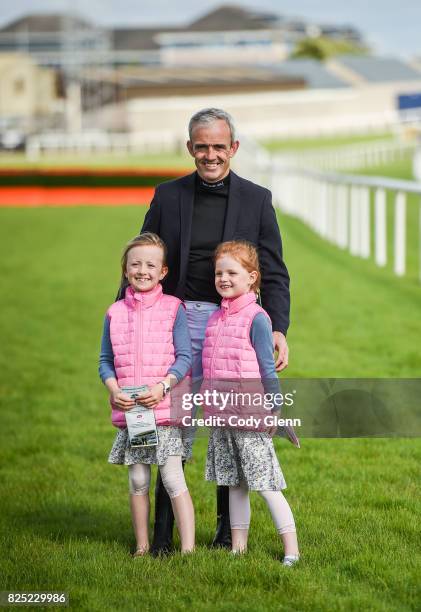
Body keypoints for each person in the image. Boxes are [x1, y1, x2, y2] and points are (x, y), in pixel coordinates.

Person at [121, 107, 291, 554]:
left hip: (229, 330)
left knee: (226, 427)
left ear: (233, 148)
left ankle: (222, 534)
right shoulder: (167, 195)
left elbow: (273, 272)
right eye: (202, 146)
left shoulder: (257, 199)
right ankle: (159, 537)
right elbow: (143, 258)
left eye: (219, 146)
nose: (210, 154)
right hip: (171, 325)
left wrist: (279, 328)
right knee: (166, 425)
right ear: (189, 148)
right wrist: (123, 318)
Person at [203, 240, 299, 566]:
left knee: (266, 484)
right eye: (219, 272)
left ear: (252, 277)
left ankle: (291, 550)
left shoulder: (257, 318)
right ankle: (238, 548)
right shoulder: (216, 318)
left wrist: (275, 409)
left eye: (232, 272)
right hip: (222, 417)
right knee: (235, 484)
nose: (224, 278)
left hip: (251, 416)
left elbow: (266, 368)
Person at [99, 232, 194, 556]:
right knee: (138, 480)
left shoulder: (173, 309)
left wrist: (163, 386)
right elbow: (105, 361)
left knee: (172, 478)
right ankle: (141, 546)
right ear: (125, 270)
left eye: (150, 265)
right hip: (135, 413)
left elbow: (184, 356)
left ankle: (188, 551)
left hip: (163, 409)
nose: (143, 270)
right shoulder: (114, 313)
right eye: (135, 264)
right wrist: (115, 390)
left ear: (163, 272)